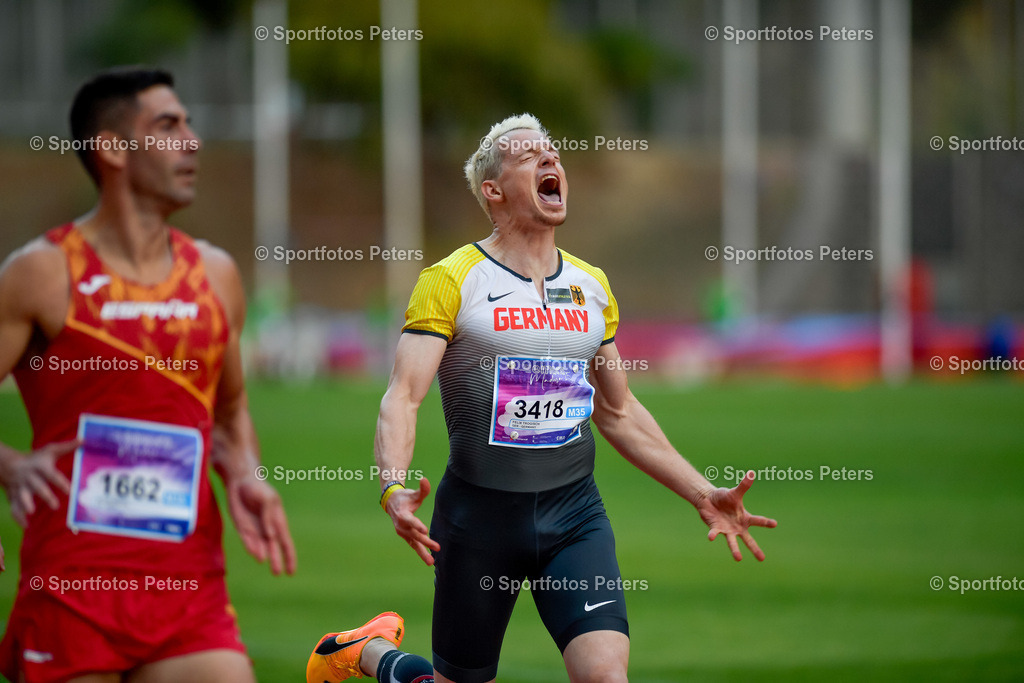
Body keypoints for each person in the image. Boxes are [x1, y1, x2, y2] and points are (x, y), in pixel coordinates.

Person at [307, 114, 776, 683]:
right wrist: (393, 485)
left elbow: (618, 411)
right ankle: (366, 651)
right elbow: (403, 396)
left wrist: (703, 493)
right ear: (494, 190)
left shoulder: (591, 285)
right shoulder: (453, 279)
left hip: (575, 515)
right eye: (530, 156)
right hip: (478, 520)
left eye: (553, 153)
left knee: (606, 677)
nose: (551, 161)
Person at [0, 66, 297, 683]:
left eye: (189, 124)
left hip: (190, 592)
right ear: (111, 148)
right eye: (168, 126)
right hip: (72, 588)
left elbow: (232, 409)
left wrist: (246, 474)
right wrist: (7, 464)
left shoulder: (216, 275)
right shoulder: (43, 273)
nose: (191, 140)